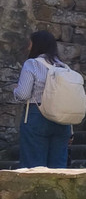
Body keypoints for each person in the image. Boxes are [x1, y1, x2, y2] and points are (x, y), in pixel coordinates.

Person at [12, 30, 74, 168]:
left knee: (33, 166)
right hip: (63, 120)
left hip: (37, 115)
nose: (28, 47)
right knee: (58, 169)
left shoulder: (32, 64)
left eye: (30, 43)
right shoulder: (64, 67)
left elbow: (23, 94)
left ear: (36, 45)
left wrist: (15, 90)